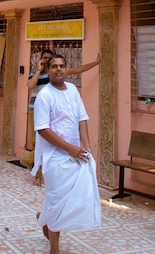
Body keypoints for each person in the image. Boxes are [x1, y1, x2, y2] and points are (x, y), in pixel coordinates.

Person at [34, 55, 101, 254]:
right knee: (56, 202)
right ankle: (55, 252)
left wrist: (86, 145)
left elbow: (82, 118)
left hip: (75, 154)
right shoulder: (44, 96)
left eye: (62, 66)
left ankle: (45, 218)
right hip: (55, 158)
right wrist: (69, 149)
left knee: (68, 201)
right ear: (48, 70)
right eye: (54, 67)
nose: (58, 70)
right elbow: (43, 129)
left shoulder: (72, 89)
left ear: (67, 69)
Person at [24, 48, 100, 184]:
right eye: (45, 58)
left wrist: (96, 62)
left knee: (50, 144)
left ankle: (36, 167)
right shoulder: (37, 74)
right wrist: (38, 70)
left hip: (57, 113)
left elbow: (78, 70)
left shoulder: (64, 80)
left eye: (49, 57)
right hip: (35, 110)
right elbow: (30, 85)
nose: (48, 60)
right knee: (39, 143)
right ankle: (38, 173)